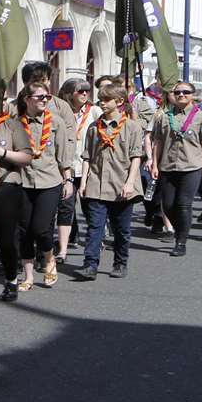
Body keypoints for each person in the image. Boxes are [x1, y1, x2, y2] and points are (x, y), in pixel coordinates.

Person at [0, 82, 77, 299]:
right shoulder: (13, 124)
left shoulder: (56, 122)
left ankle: (49, 257)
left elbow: (62, 156)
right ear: (26, 99)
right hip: (22, 182)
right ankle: (28, 276)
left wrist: (68, 181)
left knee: (41, 229)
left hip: (49, 181)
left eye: (46, 97)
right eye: (39, 97)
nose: (44, 100)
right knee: (24, 231)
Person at [66, 83, 146, 281]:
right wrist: (83, 182)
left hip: (121, 184)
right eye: (100, 98)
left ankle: (120, 262)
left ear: (119, 102)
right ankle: (90, 265)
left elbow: (136, 157)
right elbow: (87, 157)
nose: (101, 102)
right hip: (96, 183)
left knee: (122, 229)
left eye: (105, 99)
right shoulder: (94, 127)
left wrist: (130, 183)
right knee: (95, 226)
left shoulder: (132, 127)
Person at [150, 80, 202, 257]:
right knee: (167, 204)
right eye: (177, 92)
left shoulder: (201, 117)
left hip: (191, 166)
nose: (181, 95)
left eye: (185, 92)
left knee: (184, 204)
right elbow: (157, 142)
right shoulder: (164, 117)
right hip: (167, 165)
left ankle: (181, 241)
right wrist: (155, 164)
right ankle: (182, 227)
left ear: (192, 95)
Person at [57, 78, 96, 258]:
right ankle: (65, 244)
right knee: (66, 205)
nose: (85, 94)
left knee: (90, 207)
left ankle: (95, 238)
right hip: (67, 166)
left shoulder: (94, 111)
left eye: (87, 91)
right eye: (80, 91)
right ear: (68, 93)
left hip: (88, 167)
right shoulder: (59, 111)